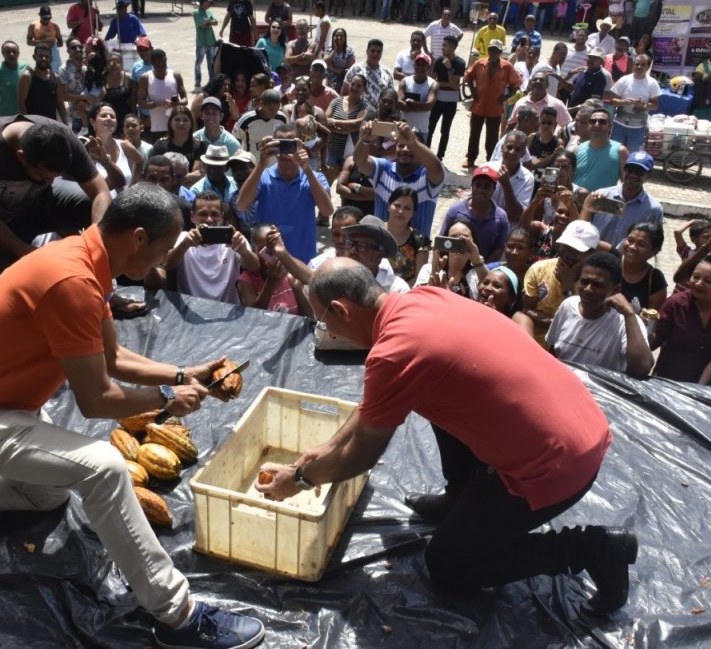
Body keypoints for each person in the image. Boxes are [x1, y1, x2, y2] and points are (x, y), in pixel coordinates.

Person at [0, 185, 266, 648]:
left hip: (1, 412)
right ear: (137, 237)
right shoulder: (70, 280)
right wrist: (166, 398)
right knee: (105, 468)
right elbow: (97, 399)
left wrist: (182, 372)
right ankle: (178, 614)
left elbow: (111, 357)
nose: (165, 258)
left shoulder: (88, 262)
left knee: (47, 495)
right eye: (163, 246)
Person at [256, 258, 636, 614]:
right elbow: (373, 406)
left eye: (324, 322)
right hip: (579, 424)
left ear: (341, 310)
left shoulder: (394, 353)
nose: (327, 331)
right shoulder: (422, 300)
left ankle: (596, 548)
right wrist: (323, 450)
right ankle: (460, 498)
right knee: (436, 390)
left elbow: (362, 455)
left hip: (555, 466)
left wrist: (301, 480)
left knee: (449, 566)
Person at [0, 116, 112, 291]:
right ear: (21, 156)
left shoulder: (63, 139)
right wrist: (27, 252)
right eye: (43, 177)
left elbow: (100, 192)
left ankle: (89, 279)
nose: (48, 181)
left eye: (54, 178)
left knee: (99, 212)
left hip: (35, 204)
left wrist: (97, 239)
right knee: (1, 281)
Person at [235, 125, 333, 264]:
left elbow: (327, 211)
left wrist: (307, 169)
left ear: (300, 145)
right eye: (280, 144)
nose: (285, 151)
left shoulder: (315, 178)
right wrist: (261, 164)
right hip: (269, 261)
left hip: (303, 262)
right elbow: (241, 205)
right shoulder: (263, 177)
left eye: (290, 144)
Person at [546, 251, 653, 378]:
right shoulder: (568, 306)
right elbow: (553, 351)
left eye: (597, 285)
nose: (587, 289)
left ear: (615, 290)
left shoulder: (626, 322)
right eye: (584, 281)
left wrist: (629, 314)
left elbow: (642, 368)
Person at [650, 254, 711, 383]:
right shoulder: (675, 304)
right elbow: (655, 341)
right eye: (696, 277)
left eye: (708, 281)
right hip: (669, 381)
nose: (699, 283)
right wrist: (645, 327)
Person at [162, 191, 260, 304]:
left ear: (222, 217)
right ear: (192, 216)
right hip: (191, 313)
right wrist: (185, 245)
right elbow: (166, 265)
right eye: (203, 214)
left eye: (214, 214)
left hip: (227, 312)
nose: (209, 220)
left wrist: (243, 251)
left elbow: (254, 267)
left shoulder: (234, 239)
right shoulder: (183, 238)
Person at [354, 120, 444, 237]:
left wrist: (413, 142)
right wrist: (364, 140)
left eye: (410, 146)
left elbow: (437, 168)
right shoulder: (383, 169)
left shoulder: (427, 176)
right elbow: (359, 162)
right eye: (401, 145)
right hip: (380, 247)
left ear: (421, 149)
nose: (405, 149)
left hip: (415, 252)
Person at [523, 220, 600, 344]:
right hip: (535, 343)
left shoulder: (596, 284)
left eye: (576, 250)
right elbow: (526, 310)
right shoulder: (538, 269)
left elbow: (581, 324)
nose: (568, 253)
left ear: (591, 253)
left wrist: (568, 289)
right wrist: (557, 323)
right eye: (566, 246)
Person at [581, 150, 662, 249]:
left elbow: (653, 245)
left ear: (649, 175)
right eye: (630, 169)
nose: (633, 175)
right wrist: (587, 206)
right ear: (624, 169)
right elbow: (582, 226)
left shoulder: (654, 210)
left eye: (639, 171)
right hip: (593, 257)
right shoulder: (601, 195)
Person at [463, 39, 521, 170]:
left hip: (495, 107)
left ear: (500, 52)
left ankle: (491, 159)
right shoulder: (480, 63)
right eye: (491, 49)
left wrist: (507, 96)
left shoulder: (506, 66)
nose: (493, 52)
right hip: (478, 105)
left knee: (492, 135)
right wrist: (472, 92)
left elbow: (516, 83)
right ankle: (470, 158)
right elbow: (468, 76)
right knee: (474, 133)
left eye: (496, 50)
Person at [439, 165, 509, 262]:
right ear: (472, 186)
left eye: (487, 187)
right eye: (478, 185)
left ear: (494, 189)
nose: (481, 190)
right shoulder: (455, 211)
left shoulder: (501, 217)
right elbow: (442, 242)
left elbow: (499, 249)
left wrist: (481, 269)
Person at [237, 224, 310, 315]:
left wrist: (298, 290)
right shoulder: (246, 280)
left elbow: (309, 317)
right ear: (253, 250)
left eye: (273, 248)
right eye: (265, 251)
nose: (271, 255)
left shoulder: (291, 276)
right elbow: (251, 315)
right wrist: (270, 283)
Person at [414, 220, 487, 299]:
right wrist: (434, 272)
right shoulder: (427, 269)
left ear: (473, 242)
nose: (458, 241)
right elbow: (418, 298)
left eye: (465, 238)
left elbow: (489, 291)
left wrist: (477, 261)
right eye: (453, 238)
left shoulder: (477, 274)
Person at [340, 215, 410, 293]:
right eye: (350, 243)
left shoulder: (396, 289)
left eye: (361, 246)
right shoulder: (337, 280)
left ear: (379, 255)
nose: (352, 251)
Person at [604, 54, 658, 152]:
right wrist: (624, 102)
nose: (639, 67)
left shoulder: (652, 83)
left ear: (648, 67)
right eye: (637, 64)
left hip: (638, 128)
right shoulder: (625, 80)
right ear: (633, 65)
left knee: (633, 156)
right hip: (619, 125)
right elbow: (612, 102)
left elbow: (655, 105)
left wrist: (643, 105)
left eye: (643, 65)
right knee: (614, 152)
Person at [84, 103, 142, 193]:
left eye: (112, 116)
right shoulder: (86, 148)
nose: (109, 118)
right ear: (92, 122)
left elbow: (140, 161)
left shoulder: (124, 145)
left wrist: (133, 186)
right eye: (103, 116)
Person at [324, 75, 369, 182]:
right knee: (326, 184)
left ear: (364, 89)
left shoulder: (364, 107)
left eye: (359, 86)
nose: (354, 88)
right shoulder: (336, 102)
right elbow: (325, 120)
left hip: (351, 154)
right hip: (332, 150)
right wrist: (345, 127)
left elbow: (357, 123)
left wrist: (335, 122)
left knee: (346, 185)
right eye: (353, 84)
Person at [428, 35, 465, 160]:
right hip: (437, 100)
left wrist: (449, 69)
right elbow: (433, 80)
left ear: (453, 47)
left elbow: (455, 85)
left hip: (450, 102)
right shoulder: (439, 61)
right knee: (430, 127)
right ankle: (426, 152)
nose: (442, 47)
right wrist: (445, 83)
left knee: (445, 130)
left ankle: (440, 156)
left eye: (445, 45)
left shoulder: (460, 63)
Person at [382, 186, 429, 284]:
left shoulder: (420, 241)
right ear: (389, 205)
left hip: (405, 295)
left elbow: (419, 278)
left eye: (407, 208)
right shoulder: (375, 231)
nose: (400, 211)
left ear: (413, 213)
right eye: (397, 205)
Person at [138, 49, 187, 141]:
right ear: (152, 63)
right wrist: (158, 103)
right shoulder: (145, 78)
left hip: (175, 126)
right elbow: (141, 103)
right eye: (158, 66)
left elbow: (185, 99)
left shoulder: (175, 75)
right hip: (155, 127)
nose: (161, 68)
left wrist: (177, 104)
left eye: (164, 65)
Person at [573, 108, 626, 193]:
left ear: (610, 126)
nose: (596, 125)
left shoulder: (621, 151)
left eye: (602, 122)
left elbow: (626, 183)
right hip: (574, 203)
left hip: (602, 204)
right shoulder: (577, 149)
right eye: (592, 121)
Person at [617, 222, 667, 312]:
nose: (632, 247)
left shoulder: (655, 279)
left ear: (654, 251)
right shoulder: (611, 265)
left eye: (641, 245)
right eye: (630, 240)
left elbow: (653, 316)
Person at [17, 44, 67, 123]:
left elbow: (60, 103)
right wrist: (28, 124)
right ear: (34, 57)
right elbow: (21, 103)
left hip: (51, 124)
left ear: (51, 59)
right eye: (40, 56)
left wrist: (65, 123)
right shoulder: (27, 77)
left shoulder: (56, 78)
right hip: (33, 125)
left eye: (47, 57)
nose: (44, 59)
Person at [343, 39, 393, 113]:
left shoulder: (387, 72)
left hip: (377, 117)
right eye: (373, 51)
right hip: (355, 114)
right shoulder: (355, 69)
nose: (375, 54)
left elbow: (391, 97)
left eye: (378, 52)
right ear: (367, 51)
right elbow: (344, 92)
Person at [397, 53, 438, 136]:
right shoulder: (405, 81)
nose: (420, 68)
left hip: (421, 130)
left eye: (423, 65)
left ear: (428, 67)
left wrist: (411, 102)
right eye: (418, 65)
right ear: (414, 66)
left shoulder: (433, 84)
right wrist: (421, 107)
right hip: (402, 128)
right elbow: (399, 104)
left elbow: (429, 106)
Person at [0, 42, 26, 120]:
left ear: (18, 53)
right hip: (5, 117)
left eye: (14, 51)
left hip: (25, 116)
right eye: (8, 52)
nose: (11, 54)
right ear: (2, 53)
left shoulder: (25, 68)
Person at [26, 5, 63, 74]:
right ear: (39, 15)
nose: (47, 20)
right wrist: (42, 42)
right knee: (42, 71)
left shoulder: (55, 26)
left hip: (53, 53)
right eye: (44, 18)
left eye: (49, 18)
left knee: (56, 73)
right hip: (40, 52)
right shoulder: (33, 26)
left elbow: (61, 43)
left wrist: (53, 43)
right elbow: (28, 42)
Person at [192, 0, 218, 92]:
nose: (209, 4)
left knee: (211, 62)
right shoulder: (196, 13)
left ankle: (211, 81)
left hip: (210, 41)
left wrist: (208, 23)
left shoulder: (209, 12)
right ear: (203, 3)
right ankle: (198, 82)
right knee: (199, 62)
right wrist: (209, 23)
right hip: (201, 42)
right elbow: (201, 26)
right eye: (207, 2)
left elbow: (215, 22)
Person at [323, 28, 356, 93]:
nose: (339, 37)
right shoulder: (329, 49)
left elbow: (349, 68)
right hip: (330, 78)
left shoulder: (349, 51)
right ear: (333, 37)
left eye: (341, 36)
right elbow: (326, 61)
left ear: (345, 38)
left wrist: (332, 68)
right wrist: (334, 49)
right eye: (337, 36)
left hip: (343, 78)